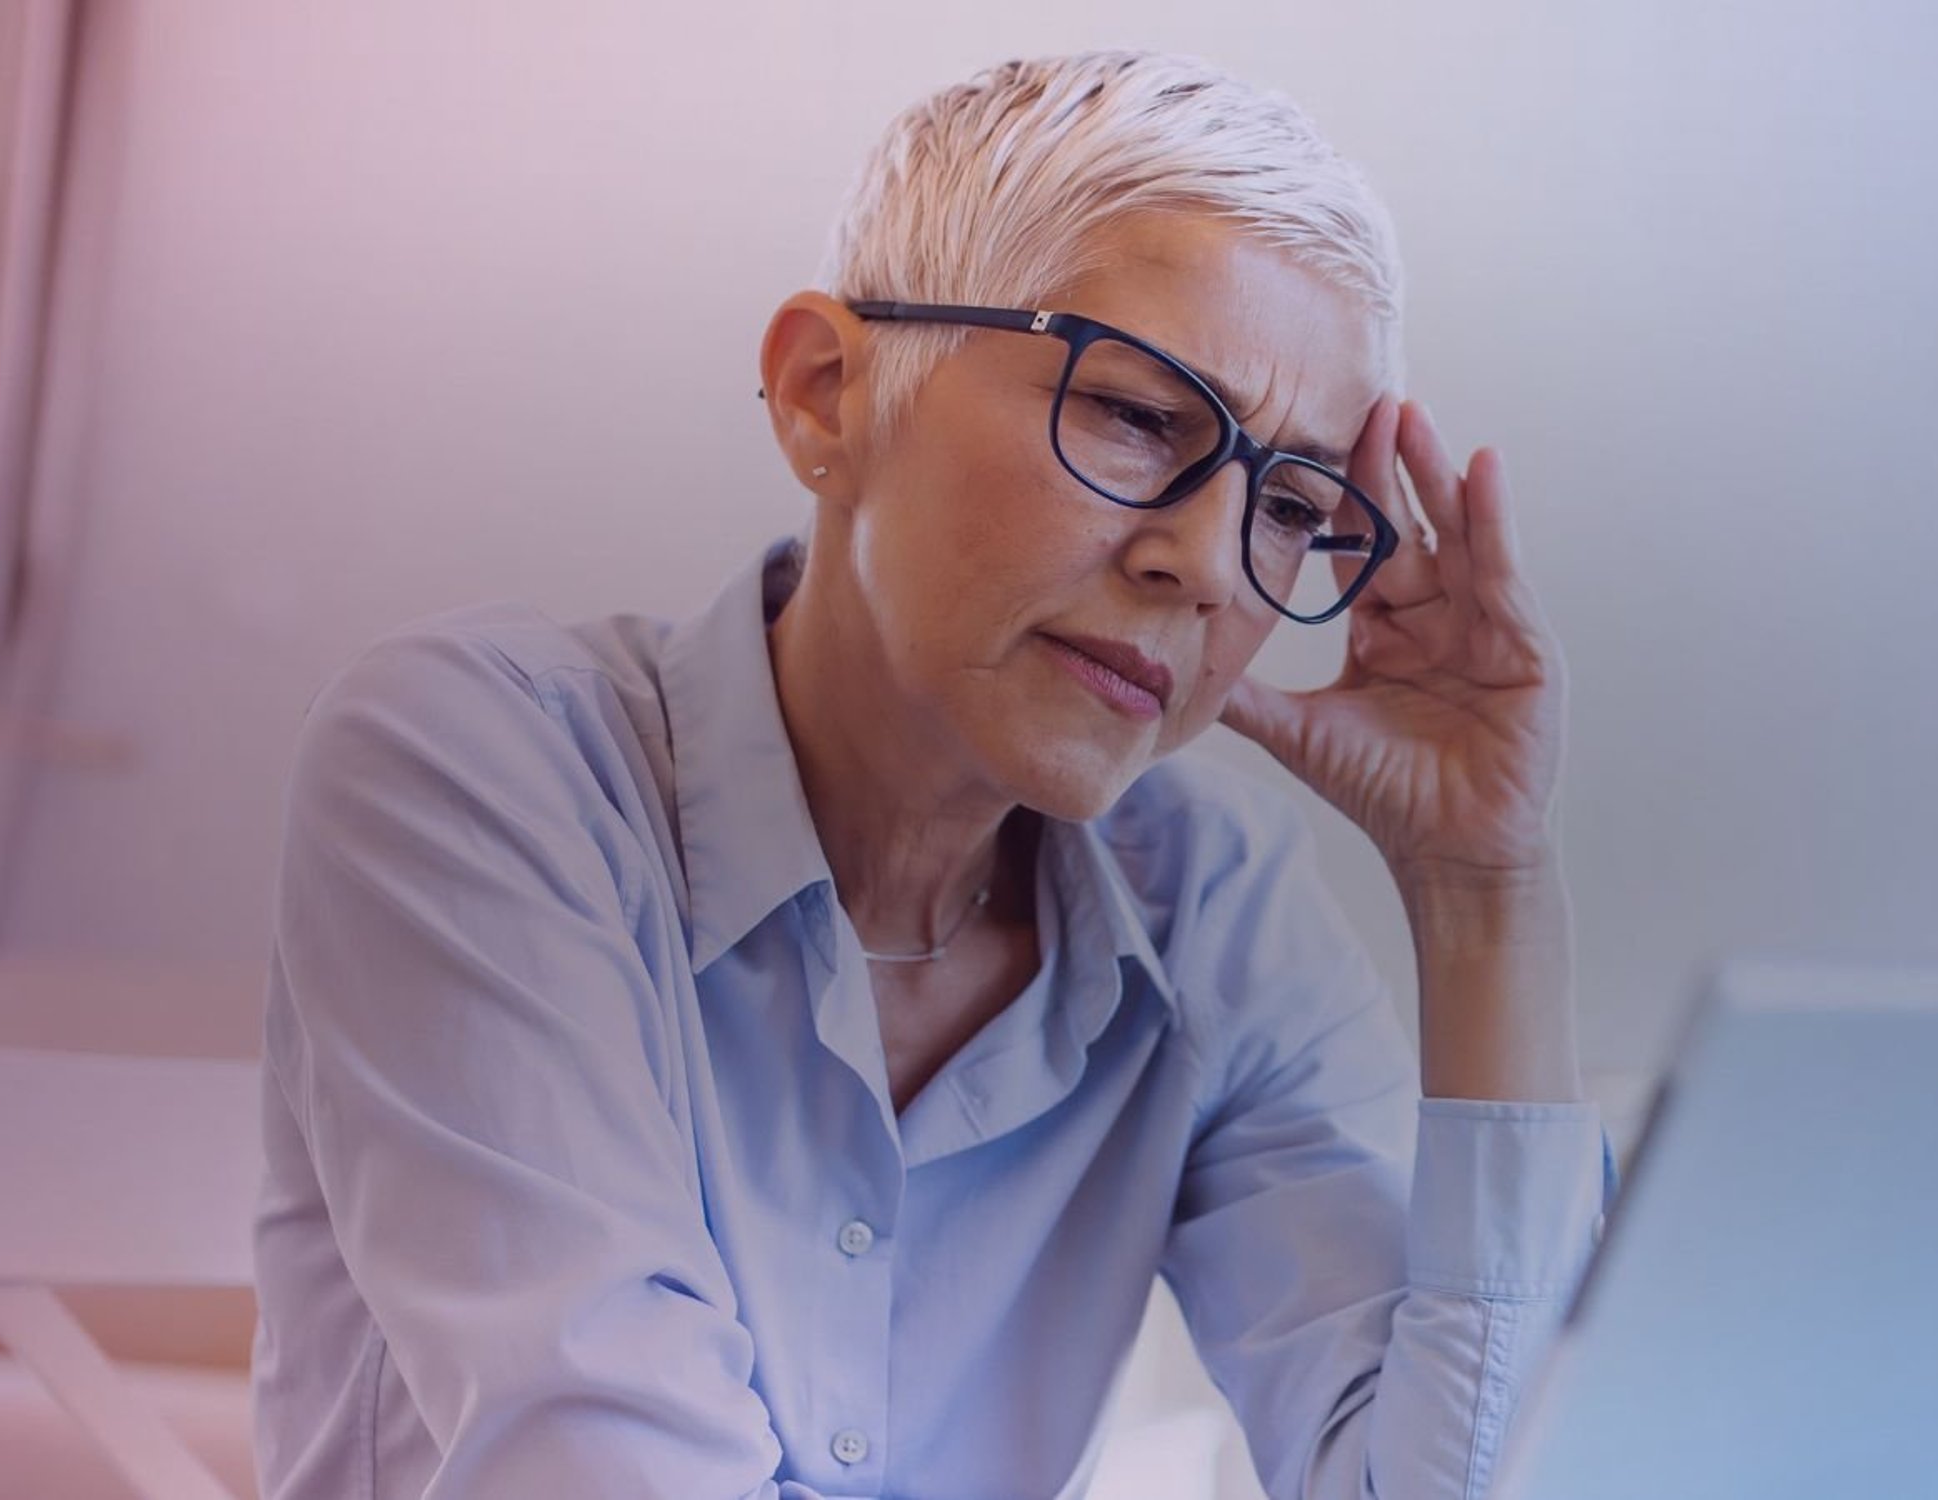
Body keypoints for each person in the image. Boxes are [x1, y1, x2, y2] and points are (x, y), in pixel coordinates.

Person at [249, 49, 1608, 1500]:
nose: (1208, 566)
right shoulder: (478, 768)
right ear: (825, 395)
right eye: (1139, 416)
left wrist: (1482, 891)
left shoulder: (1215, 918)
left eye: (1290, 502)